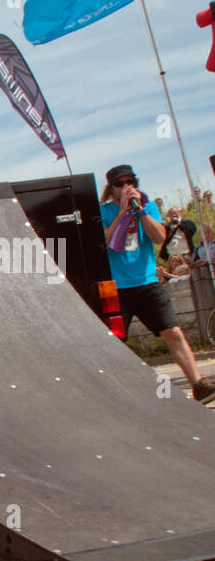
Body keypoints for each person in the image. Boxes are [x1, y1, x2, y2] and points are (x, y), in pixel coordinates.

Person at [100, 165, 215, 403]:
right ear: (111, 189)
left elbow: (160, 237)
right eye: (119, 184)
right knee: (112, 343)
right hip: (117, 286)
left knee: (172, 331)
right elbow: (103, 241)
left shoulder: (147, 206)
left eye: (130, 182)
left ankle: (198, 383)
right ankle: (111, 395)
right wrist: (121, 213)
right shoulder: (103, 211)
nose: (126, 187)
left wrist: (139, 212)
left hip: (147, 282)